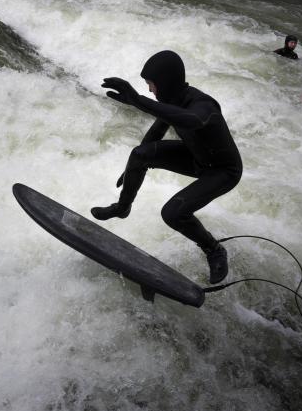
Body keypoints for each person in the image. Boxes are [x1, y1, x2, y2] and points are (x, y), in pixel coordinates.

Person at [91, 50, 242, 284]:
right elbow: (156, 132)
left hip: (223, 171)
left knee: (172, 213)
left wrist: (138, 101)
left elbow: (190, 120)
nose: (150, 90)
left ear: (166, 83)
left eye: (152, 85)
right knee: (139, 154)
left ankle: (214, 249)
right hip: (196, 157)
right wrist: (132, 166)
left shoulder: (203, 104)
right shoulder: (172, 101)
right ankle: (122, 208)